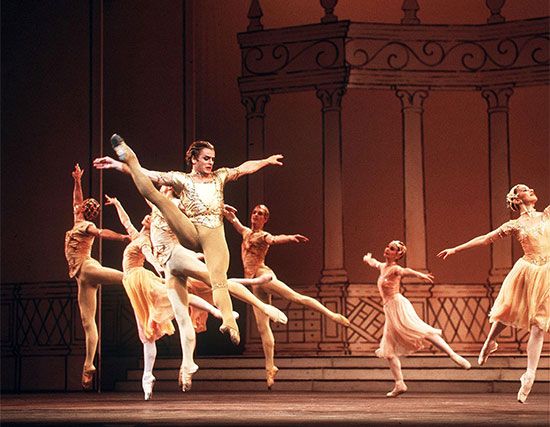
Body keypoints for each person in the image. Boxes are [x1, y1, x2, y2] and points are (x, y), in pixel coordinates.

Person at [94, 135, 283, 347]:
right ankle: (129, 154)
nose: (211, 162)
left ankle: (229, 321)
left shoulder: (219, 176)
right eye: (206, 158)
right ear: (194, 159)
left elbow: (244, 167)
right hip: (190, 232)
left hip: (213, 235)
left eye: (212, 158)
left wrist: (266, 161)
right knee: (159, 199)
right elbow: (148, 176)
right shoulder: (181, 180)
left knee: (218, 279)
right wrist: (121, 165)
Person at [438, 184, 549, 403]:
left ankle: (529, 375)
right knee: (507, 308)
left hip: (546, 272)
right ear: (517, 199)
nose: (531, 190)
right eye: (525, 189)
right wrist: (456, 249)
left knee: (539, 324)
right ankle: (490, 341)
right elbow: (485, 238)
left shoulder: (547, 214)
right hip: (527, 270)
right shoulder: (514, 225)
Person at [224, 204, 351, 389]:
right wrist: (220, 207)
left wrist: (290, 237)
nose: (256, 215)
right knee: (262, 326)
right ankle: (270, 367)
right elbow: (232, 219)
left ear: (265, 219)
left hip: (263, 276)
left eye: (260, 214)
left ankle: (331, 315)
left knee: (296, 297)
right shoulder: (245, 232)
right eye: (254, 212)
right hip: (253, 283)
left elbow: (274, 239)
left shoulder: (263, 236)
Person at [363, 240, 471, 397]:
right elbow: (375, 264)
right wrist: (368, 259)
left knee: (421, 330)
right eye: (388, 246)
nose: (387, 249)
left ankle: (453, 355)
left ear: (398, 254)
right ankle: (399, 384)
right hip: (389, 309)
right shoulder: (383, 267)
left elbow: (405, 271)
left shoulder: (395, 268)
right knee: (388, 350)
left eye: (392, 249)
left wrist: (420, 275)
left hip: (398, 305)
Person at [64, 164, 129, 390]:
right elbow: (76, 199)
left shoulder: (86, 225)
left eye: (82, 206)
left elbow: (102, 233)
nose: (79, 207)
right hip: (82, 278)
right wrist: (77, 181)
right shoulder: (77, 220)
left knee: (126, 278)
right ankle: (88, 365)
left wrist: (122, 237)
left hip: (88, 268)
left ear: (86, 211)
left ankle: (145, 280)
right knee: (87, 322)